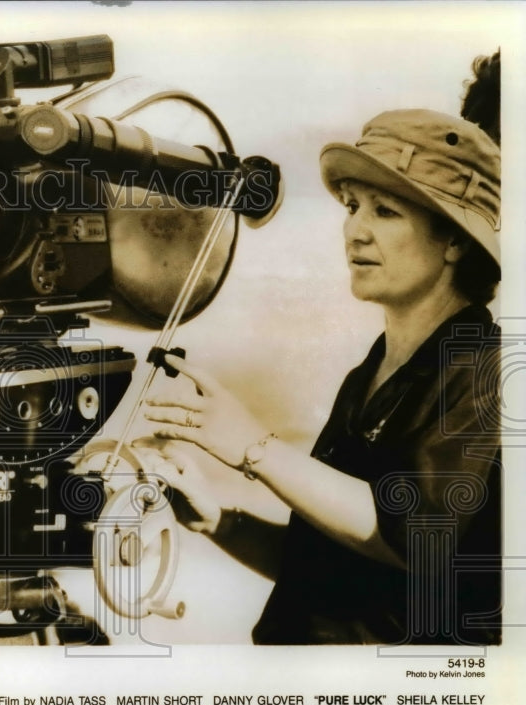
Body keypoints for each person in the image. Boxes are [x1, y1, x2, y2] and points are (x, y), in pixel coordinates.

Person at [142, 108, 501, 644]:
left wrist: (253, 448)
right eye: (353, 206)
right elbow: (330, 560)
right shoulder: (370, 373)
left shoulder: (486, 371)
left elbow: (415, 536)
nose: (355, 229)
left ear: (454, 241)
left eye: (385, 211)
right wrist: (221, 521)